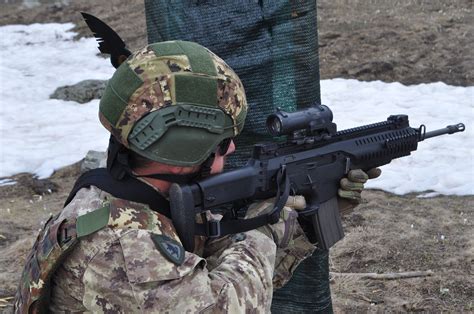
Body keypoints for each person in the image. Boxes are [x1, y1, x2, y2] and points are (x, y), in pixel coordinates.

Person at [15, 41, 379, 313]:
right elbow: (232, 304)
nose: (233, 150)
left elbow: (241, 269)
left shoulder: (149, 197)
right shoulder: (119, 247)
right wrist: (261, 226)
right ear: (185, 149)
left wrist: (317, 207)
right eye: (223, 143)